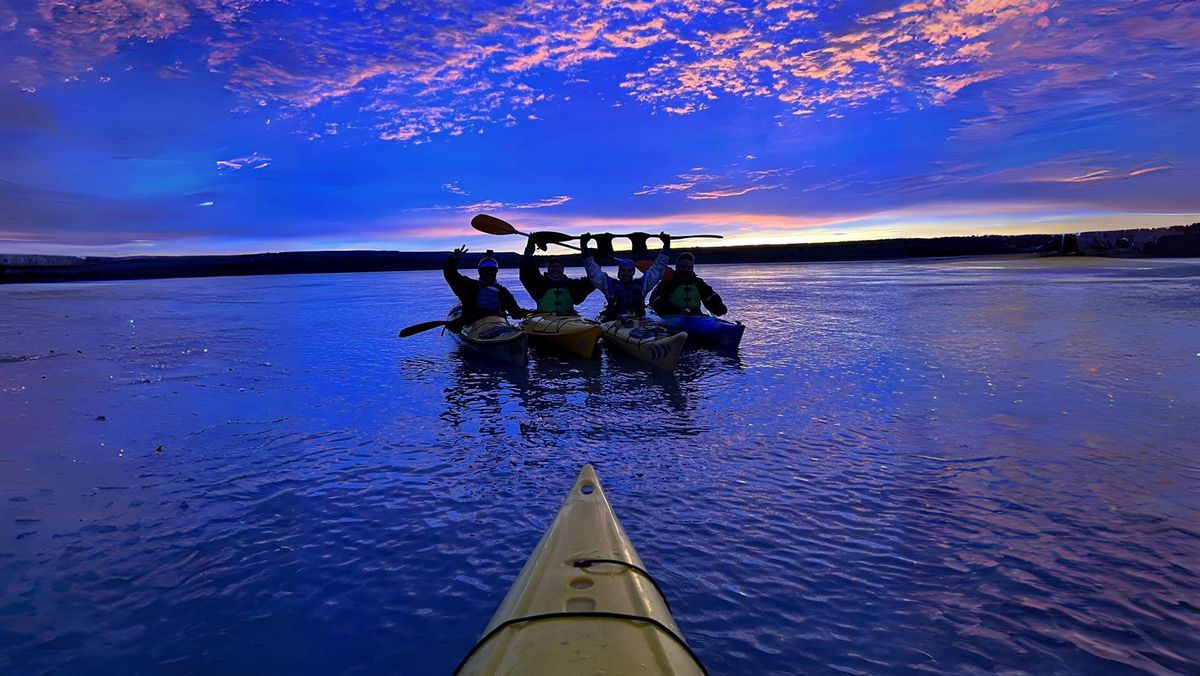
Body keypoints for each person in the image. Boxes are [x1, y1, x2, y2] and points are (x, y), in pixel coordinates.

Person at [580, 231, 671, 321]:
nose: (626, 273)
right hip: (615, 322)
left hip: (638, 321)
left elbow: (658, 268)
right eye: (623, 270)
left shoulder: (642, 285)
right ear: (618, 273)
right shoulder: (609, 285)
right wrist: (584, 246)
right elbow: (593, 271)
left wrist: (666, 245)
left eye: (629, 271)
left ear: (633, 273)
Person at [444, 246, 529, 326]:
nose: (489, 273)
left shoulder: (503, 292)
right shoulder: (468, 286)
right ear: (481, 272)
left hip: (497, 325)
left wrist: (526, 313)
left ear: (495, 272)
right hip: (474, 325)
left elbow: (515, 312)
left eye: (492, 271)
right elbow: (451, 274)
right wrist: (453, 260)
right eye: (486, 271)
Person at [519, 234, 595, 314]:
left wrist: (584, 247)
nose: (556, 269)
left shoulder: (572, 285)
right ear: (548, 269)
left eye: (559, 267)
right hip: (543, 318)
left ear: (563, 269)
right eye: (553, 267)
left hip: (569, 318)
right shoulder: (539, 284)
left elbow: (594, 278)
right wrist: (530, 244)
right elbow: (526, 269)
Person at [649, 251, 728, 316]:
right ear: (677, 266)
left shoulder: (698, 283)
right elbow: (654, 301)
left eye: (689, 267)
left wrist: (719, 307)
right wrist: (675, 310)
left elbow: (709, 295)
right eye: (683, 267)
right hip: (672, 316)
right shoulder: (667, 282)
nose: (686, 270)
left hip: (695, 316)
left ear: (692, 268)